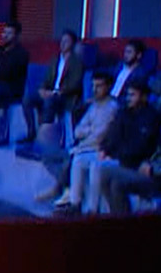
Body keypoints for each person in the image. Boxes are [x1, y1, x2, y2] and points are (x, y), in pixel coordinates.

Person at [37, 71, 118, 211]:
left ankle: (64, 192)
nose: (94, 90)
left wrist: (83, 141)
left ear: (109, 87)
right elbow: (78, 131)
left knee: (72, 158)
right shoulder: (94, 106)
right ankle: (64, 187)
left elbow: (99, 137)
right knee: (47, 156)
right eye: (93, 86)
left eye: (99, 86)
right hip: (83, 146)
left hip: (95, 149)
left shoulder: (112, 108)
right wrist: (89, 130)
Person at [87, 78, 161, 214]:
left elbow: (142, 147)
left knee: (108, 176)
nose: (128, 98)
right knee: (92, 166)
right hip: (121, 158)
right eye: (128, 95)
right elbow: (113, 135)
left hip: (138, 164)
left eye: (133, 95)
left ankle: (103, 213)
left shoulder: (152, 117)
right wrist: (106, 150)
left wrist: (116, 154)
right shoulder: (124, 113)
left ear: (144, 97)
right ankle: (111, 212)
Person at [21, 28, 85, 144]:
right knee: (27, 99)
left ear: (72, 44)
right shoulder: (55, 60)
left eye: (66, 41)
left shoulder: (77, 62)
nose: (63, 43)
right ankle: (31, 132)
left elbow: (75, 84)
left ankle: (45, 138)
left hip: (65, 96)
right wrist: (42, 89)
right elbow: (47, 79)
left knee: (49, 101)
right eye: (62, 41)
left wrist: (57, 92)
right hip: (50, 92)